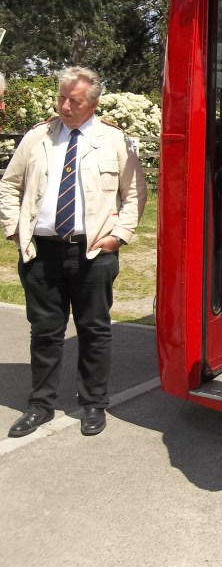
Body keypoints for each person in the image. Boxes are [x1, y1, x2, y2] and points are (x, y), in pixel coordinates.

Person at [0, 66, 147, 438]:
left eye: (74, 100)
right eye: (61, 98)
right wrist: (15, 228)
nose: (65, 106)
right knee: (45, 331)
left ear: (93, 102)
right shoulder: (38, 137)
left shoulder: (114, 140)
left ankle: (94, 403)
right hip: (42, 251)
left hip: (93, 252)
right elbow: (9, 186)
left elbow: (134, 194)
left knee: (94, 330)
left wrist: (119, 236)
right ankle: (40, 405)